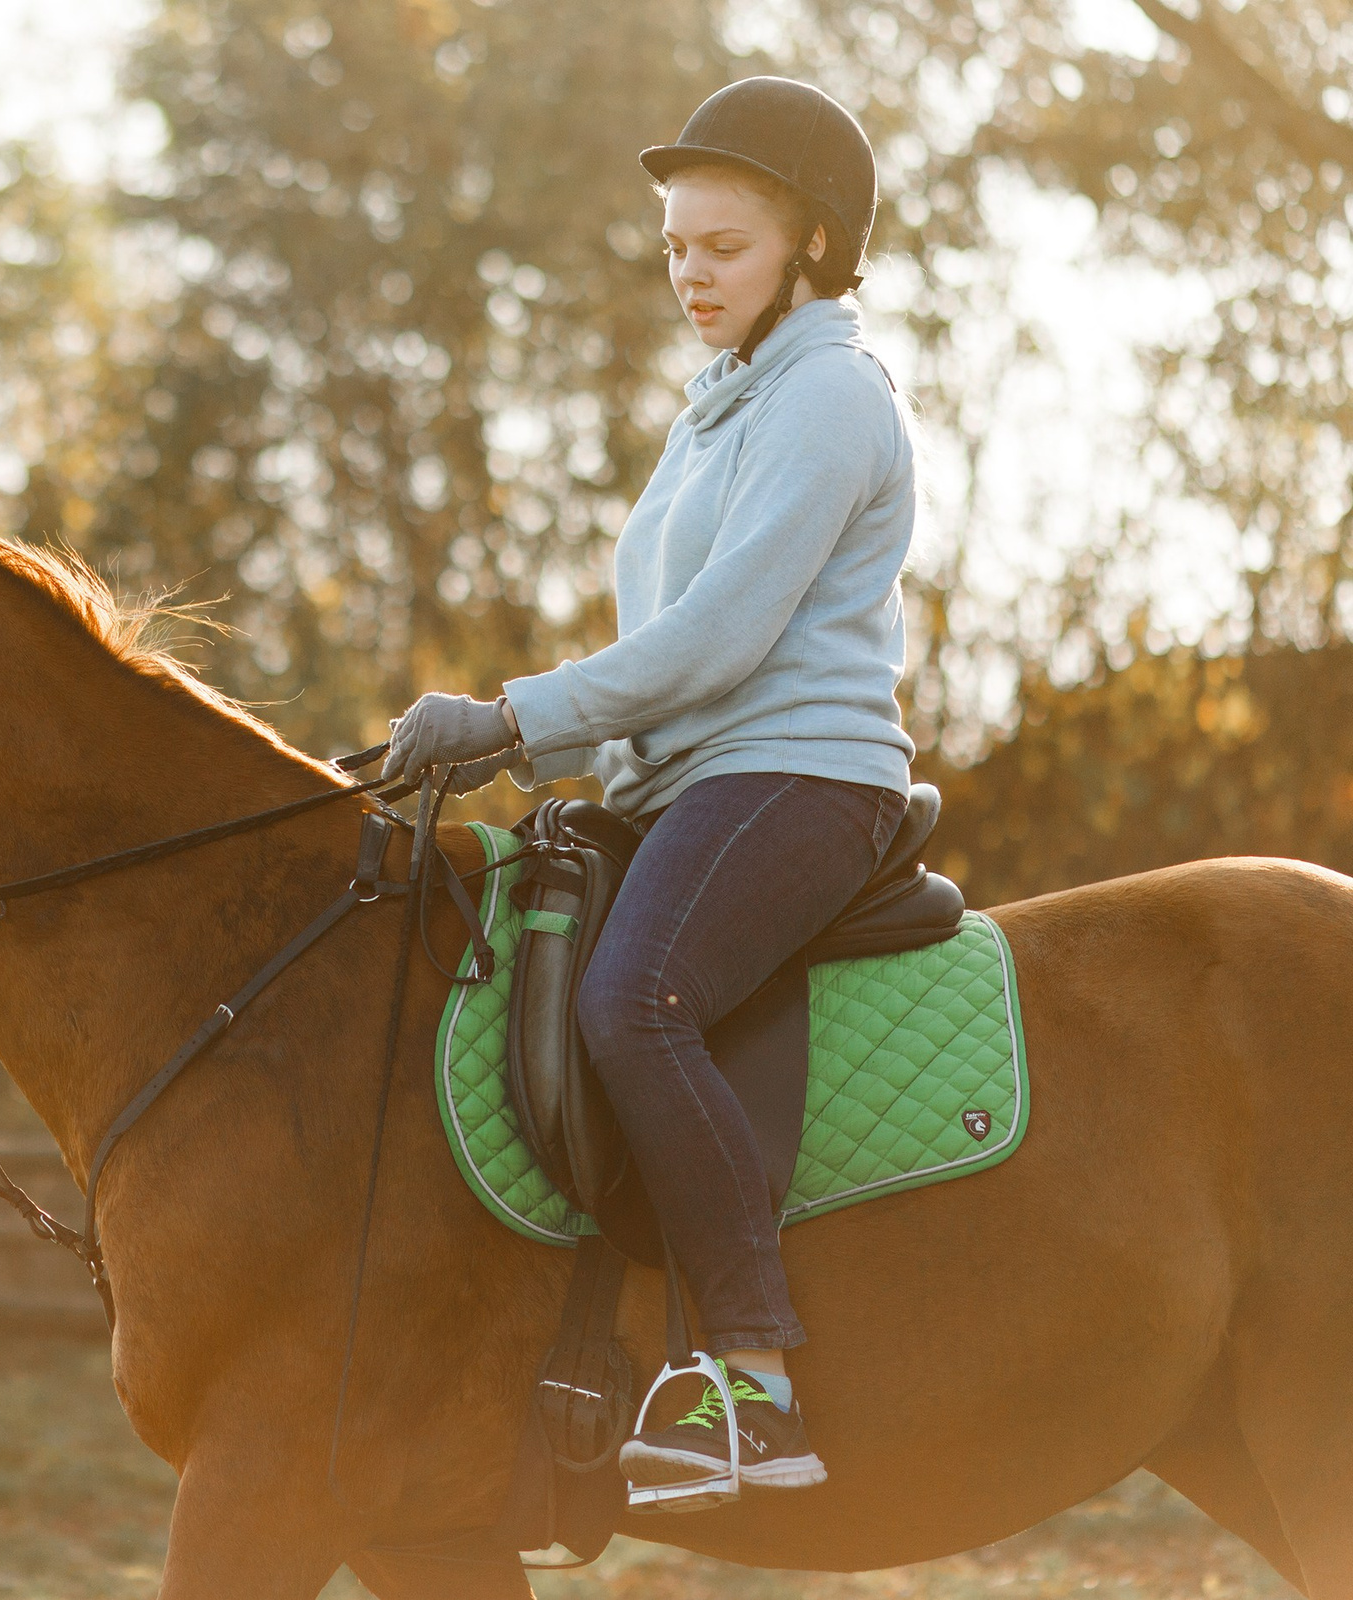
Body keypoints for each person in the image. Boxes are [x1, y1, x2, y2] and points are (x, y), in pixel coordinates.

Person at [384, 76, 915, 1500]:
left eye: (721, 246)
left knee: (637, 998)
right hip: (689, 780)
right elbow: (665, 659)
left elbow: (716, 643)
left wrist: (511, 722)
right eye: (676, 245)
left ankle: (756, 1378)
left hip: (799, 772)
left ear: (810, 243)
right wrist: (551, 761)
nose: (690, 271)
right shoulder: (718, 407)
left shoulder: (829, 397)